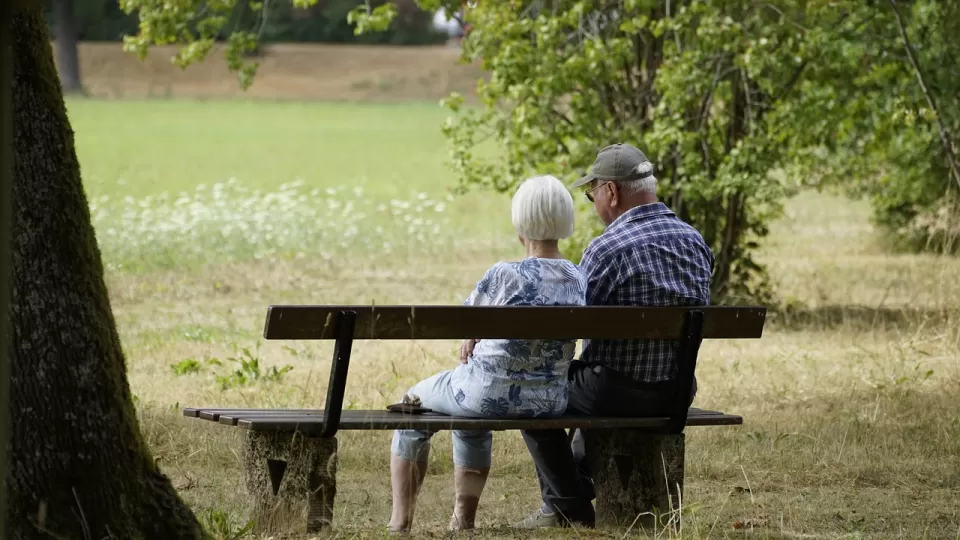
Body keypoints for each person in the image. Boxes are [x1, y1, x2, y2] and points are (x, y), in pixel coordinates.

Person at [513, 143, 715, 529]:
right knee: (592, 376)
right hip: (676, 391)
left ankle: (567, 505)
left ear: (611, 191)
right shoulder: (695, 242)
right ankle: (576, 486)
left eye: (592, 196)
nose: (593, 204)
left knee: (530, 387)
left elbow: (572, 325)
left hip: (616, 392)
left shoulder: (606, 249)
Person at [388, 174, 588, 534]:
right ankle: (462, 520)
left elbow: (464, 322)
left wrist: (472, 335)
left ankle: (400, 521)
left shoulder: (503, 275)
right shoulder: (578, 278)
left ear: (520, 224)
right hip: (547, 402)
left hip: (484, 395)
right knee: (469, 411)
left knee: (412, 403)